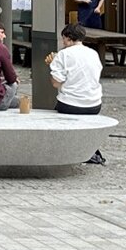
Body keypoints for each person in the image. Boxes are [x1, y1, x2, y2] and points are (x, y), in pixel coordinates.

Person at [46, 23, 106, 164]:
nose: (63, 42)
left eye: (64, 39)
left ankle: (62, 151)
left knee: (56, 117)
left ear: (68, 38)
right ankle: (91, 151)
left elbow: (56, 83)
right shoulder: (93, 53)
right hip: (94, 104)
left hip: (70, 104)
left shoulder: (63, 55)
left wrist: (52, 65)